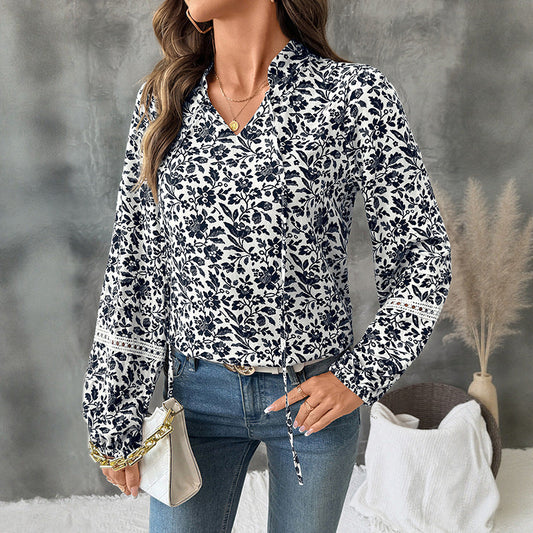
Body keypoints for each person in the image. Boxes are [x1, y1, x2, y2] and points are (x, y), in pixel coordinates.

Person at [81, 0, 453, 531]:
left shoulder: (352, 96)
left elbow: (422, 252)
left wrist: (359, 376)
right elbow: (134, 265)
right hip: (196, 399)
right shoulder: (165, 100)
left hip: (311, 398)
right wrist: (114, 410)